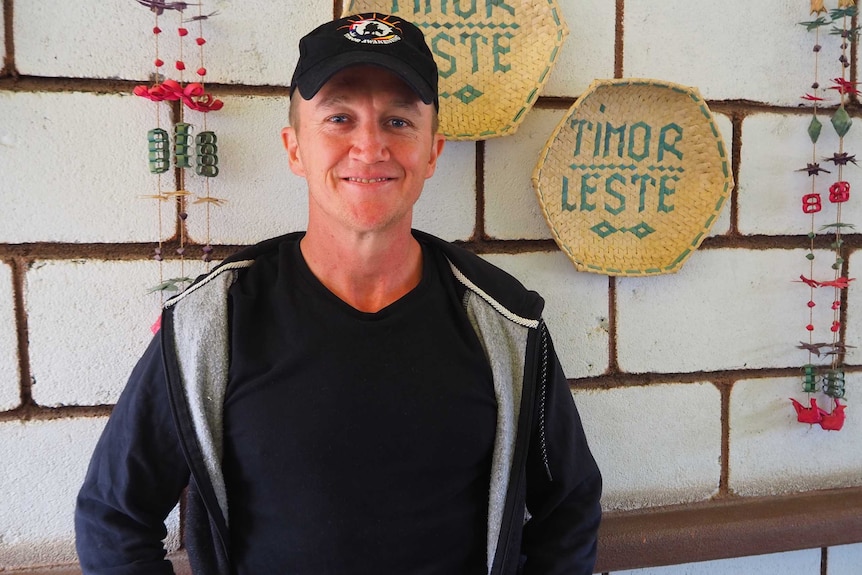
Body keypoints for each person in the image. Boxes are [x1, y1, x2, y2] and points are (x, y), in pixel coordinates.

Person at [75, 12, 602, 575]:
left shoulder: (504, 323)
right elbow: (113, 516)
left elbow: (567, 508)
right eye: (339, 118)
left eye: (399, 121)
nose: (369, 146)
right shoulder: (212, 319)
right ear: (295, 148)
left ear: (432, 151)